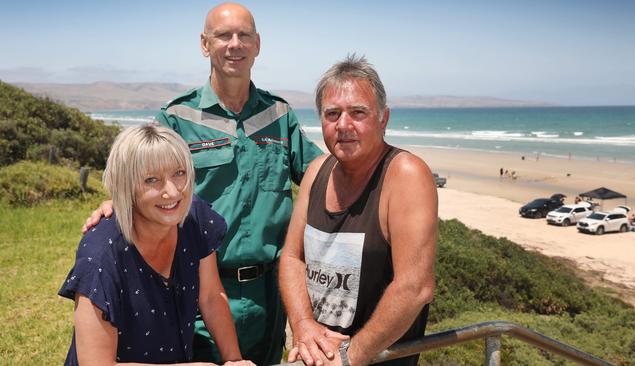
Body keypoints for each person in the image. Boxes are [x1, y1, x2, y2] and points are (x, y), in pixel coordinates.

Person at [82, 3, 322, 364]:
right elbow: (143, 175)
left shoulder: (279, 114)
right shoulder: (177, 117)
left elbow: (320, 174)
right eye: (223, 35)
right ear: (204, 44)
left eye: (244, 36)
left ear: (258, 44)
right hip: (197, 288)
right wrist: (118, 203)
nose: (234, 44)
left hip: (269, 295)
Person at [278, 55, 438, 366]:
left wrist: (352, 356)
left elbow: (416, 286)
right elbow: (291, 257)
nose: (343, 125)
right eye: (332, 114)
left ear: (383, 118)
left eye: (358, 113)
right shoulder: (316, 171)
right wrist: (302, 324)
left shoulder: (405, 175)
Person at [60, 125, 253, 365]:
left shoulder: (194, 218)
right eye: (152, 179)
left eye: (179, 173)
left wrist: (234, 360)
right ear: (125, 185)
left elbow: (211, 296)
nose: (172, 192)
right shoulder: (100, 256)